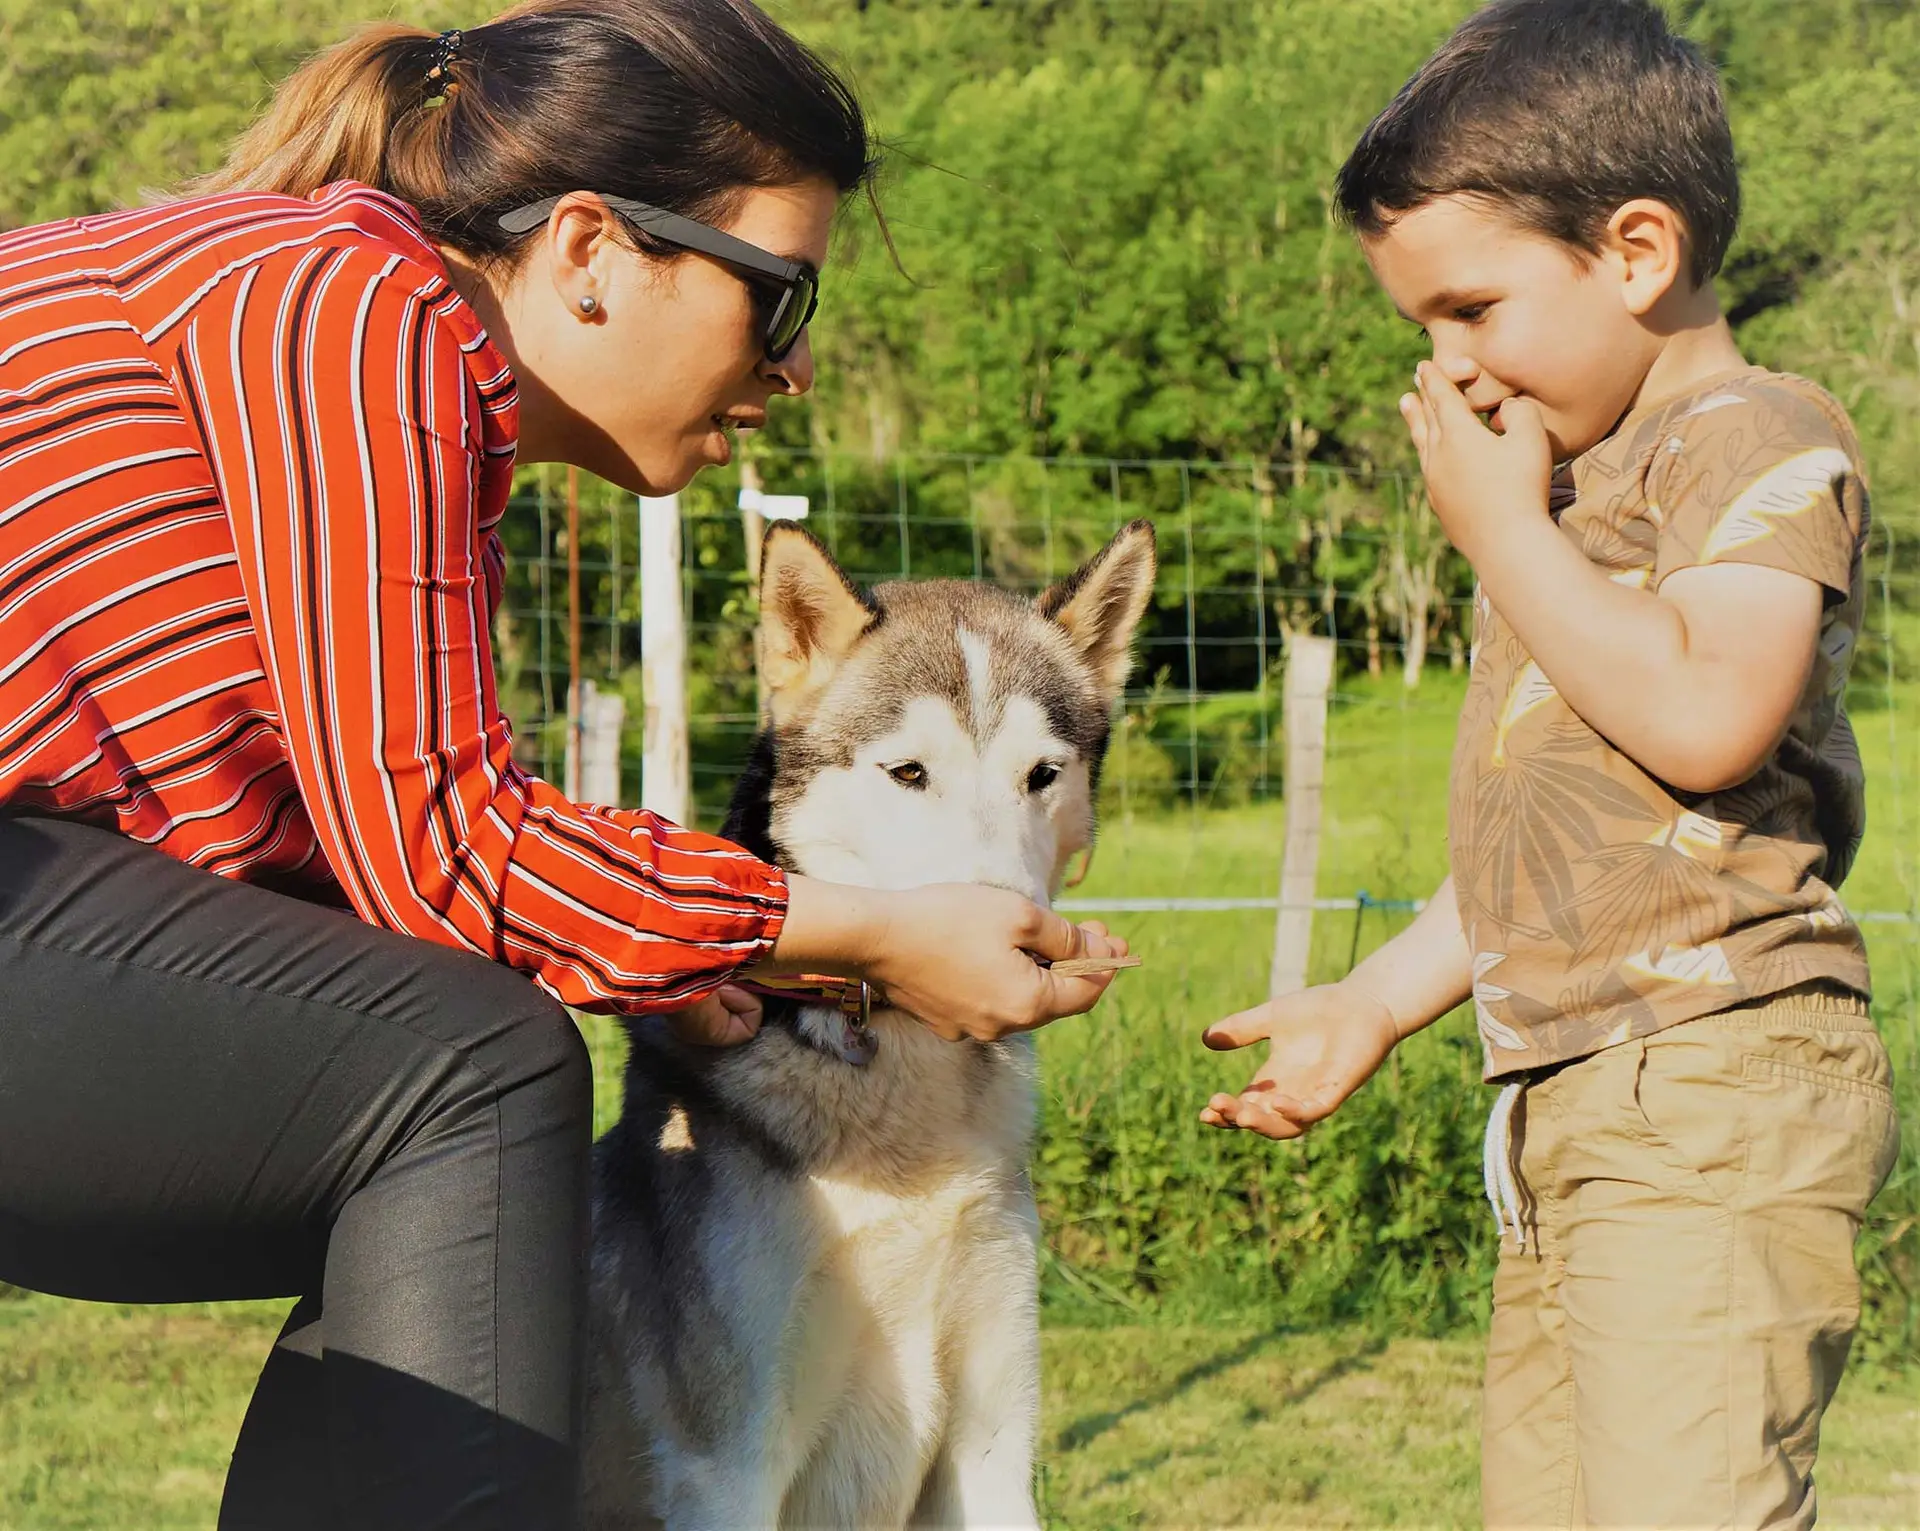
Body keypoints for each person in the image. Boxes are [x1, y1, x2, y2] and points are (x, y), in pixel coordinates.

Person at [0, 3, 1126, 1526]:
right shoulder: (356, 310)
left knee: (437, 1076)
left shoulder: (342, 329)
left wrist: (668, 957)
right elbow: (447, 848)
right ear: (594, 251)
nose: (789, 373)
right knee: (477, 1070)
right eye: (778, 302)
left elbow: (343, 891)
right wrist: (850, 935)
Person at [1199, 2, 1900, 1524]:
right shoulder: (1572, 506)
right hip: (1574, 1097)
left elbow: (1711, 716)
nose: (1450, 370)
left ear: (1636, 252)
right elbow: (1561, 842)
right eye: (1424, 333)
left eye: (1472, 309)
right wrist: (1374, 1004)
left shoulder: (1753, 433)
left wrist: (1505, 533)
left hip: (1711, 1078)